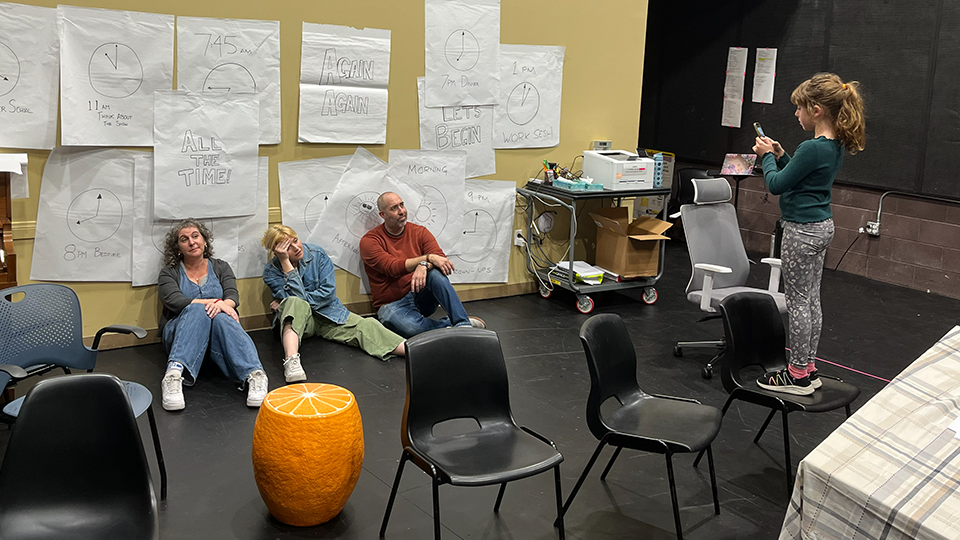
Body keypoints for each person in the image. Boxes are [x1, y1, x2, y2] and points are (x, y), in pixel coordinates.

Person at [753, 72, 865, 395]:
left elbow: (777, 184)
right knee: (812, 299)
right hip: (822, 228)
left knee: (798, 302)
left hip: (801, 232)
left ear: (816, 110)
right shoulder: (834, 146)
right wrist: (781, 155)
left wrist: (766, 159)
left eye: (799, 108)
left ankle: (797, 374)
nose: (796, 114)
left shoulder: (811, 148)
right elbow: (801, 175)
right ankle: (809, 365)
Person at [262, 225, 406, 382]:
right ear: (278, 252)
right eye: (288, 248)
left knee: (367, 325)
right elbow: (298, 302)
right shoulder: (271, 272)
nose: (296, 248)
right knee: (294, 303)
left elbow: (328, 293)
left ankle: (412, 351)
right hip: (301, 323)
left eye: (296, 240)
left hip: (328, 313)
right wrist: (285, 263)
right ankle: (291, 362)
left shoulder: (317, 255)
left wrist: (285, 301)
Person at [158, 219, 268, 411]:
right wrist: (216, 303)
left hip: (217, 334)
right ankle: (173, 375)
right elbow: (175, 301)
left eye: (195, 236)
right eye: (184, 239)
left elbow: (232, 295)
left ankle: (255, 374)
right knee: (198, 309)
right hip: (180, 333)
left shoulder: (221, 267)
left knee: (221, 316)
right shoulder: (169, 273)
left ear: (205, 241)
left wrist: (224, 306)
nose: (192, 242)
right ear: (178, 248)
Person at [359, 191, 485, 338]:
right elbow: (392, 267)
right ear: (383, 215)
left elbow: (441, 260)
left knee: (436, 273)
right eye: (394, 208)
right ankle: (450, 326)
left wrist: (424, 264)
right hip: (392, 304)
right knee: (412, 330)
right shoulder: (369, 241)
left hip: (420, 295)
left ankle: (463, 324)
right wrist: (427, 258)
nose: (401, 211)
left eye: (402, 205)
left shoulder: (419, 232)